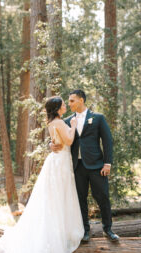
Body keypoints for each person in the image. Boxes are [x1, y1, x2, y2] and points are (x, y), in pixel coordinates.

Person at [0, 96, 84, 253]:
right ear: (57, 108)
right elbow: (68, 140)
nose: (64, 107)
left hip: (56, 160)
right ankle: (59, 233)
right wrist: (74, 125)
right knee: (59, 198)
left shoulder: (53, 122)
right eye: (62, 105)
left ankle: (59, 227)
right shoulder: (60, 122)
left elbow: (57, 139)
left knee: (52, 199)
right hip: (60, 162)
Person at [51, 90, 119, 242]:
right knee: (80, 199)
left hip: (97, 166)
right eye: (68, 101)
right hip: (77, 167)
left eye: (72, 101)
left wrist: (107, 163)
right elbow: (56, 134)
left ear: (81, 100)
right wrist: (50, 144)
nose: (69, 104)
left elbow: (107, 141)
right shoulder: (67, 120)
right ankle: (85, 231)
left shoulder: (98, 118)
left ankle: (108, 229)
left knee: (102, 197)